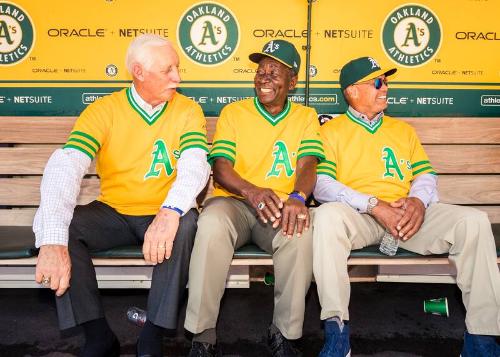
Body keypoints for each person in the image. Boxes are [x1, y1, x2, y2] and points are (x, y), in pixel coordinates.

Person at [33, 34, 211, 357]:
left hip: (162, 211)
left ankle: (153, 335)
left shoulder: (187, 110)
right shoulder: (105, 110)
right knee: (63, 228)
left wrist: (170, 211)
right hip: (115, 210)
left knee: (187, 223)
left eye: (178, 68)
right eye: (167, 69)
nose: (177, 77)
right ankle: (98, 334)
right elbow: (67, 165)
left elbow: (196, 166)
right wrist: (52, 239)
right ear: (139, 72)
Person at [313, 56, 500, 356]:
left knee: (474, 221)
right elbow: (321, 186)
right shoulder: (330, 131)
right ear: (352, 91)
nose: (385, 87)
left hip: (409, 217)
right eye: (377, 82)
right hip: (362, 217)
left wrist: (417, 201)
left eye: (386, 81)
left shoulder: (402, 130)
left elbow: (425, 175)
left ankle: (482, 341)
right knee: (326, 218)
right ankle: (337, 336)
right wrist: (374, 205)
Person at [184, 39, 324, 356]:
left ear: (293, 80)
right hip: (234, 202)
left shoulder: (305, 116)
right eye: (261, 71)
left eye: (275, 71)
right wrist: (251, 191)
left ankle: (284, 334)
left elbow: (308, 165)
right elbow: (220, 168)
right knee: (210, 227)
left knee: (298, 233)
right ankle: (202, 336)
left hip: (280, 206)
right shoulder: (235, 112)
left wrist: (298, 197)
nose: (264, 77)